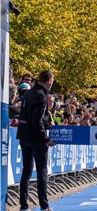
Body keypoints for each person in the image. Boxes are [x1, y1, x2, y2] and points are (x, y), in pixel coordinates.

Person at [16, 70, 55, 211]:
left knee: (26, 171)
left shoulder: (28, 93)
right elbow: (37, 121)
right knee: (41, 172)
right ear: (49, 80)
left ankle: (23, 206)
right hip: (36, 138)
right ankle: (44, 206)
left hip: (24, 136)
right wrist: (46, 139)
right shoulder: (42, 95)